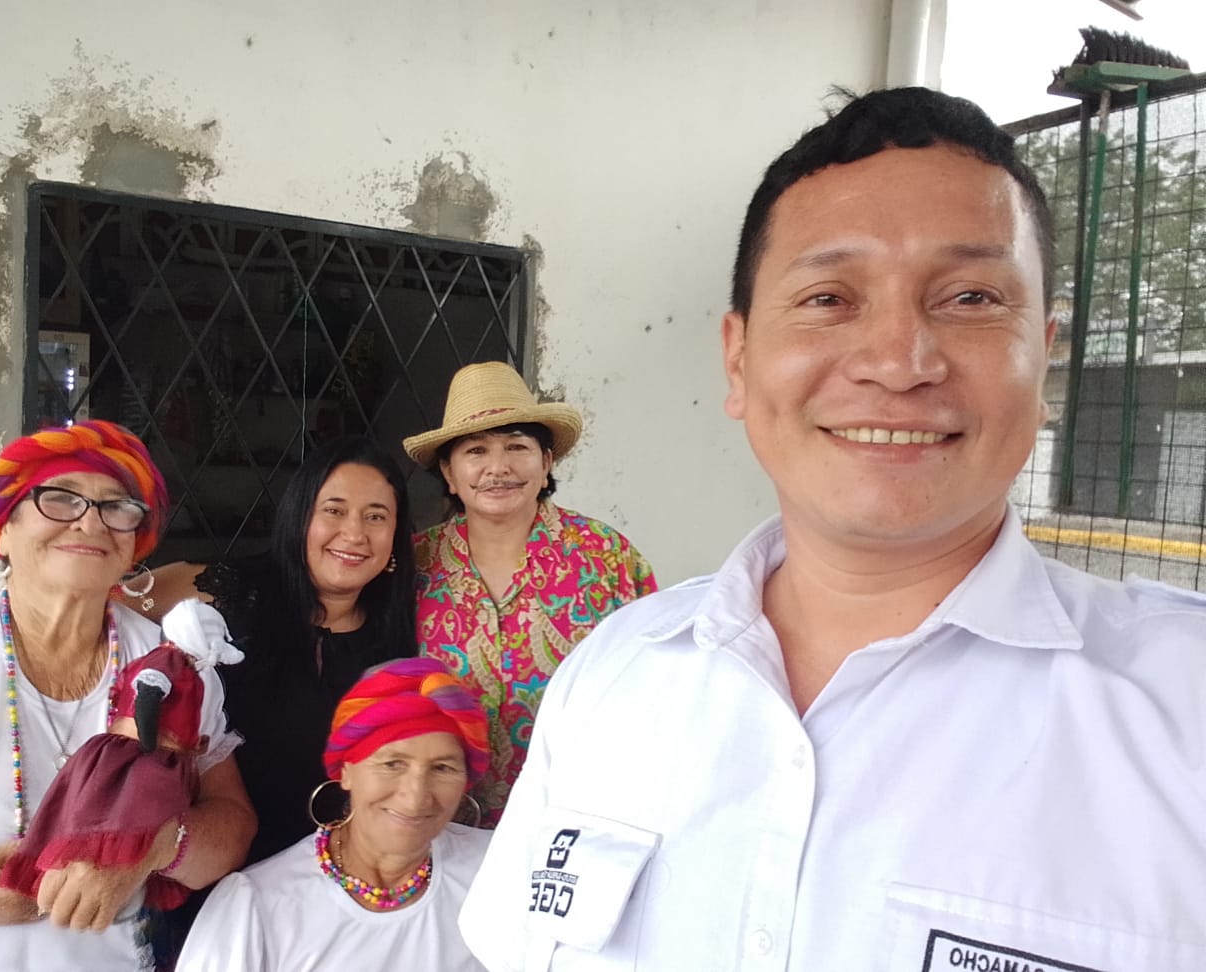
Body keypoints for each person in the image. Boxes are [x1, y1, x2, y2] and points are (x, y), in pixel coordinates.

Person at [458, 87, 1206, 971]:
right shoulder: (616, 672)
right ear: (738, 358)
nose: (898, 362)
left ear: (1043, 355)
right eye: (828, 297)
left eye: (970, 296)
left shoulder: (1181, 710)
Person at [0, 436, 418, 870]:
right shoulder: (219, 589)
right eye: (334, 510)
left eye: (376, 517)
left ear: (397, 536)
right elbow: (86, 593)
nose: (354, 533)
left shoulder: (403, 638)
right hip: (217, 881)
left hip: (336, 879)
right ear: (299, 517)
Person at [0, 419, 254, 971]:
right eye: (60, 498)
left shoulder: (173, 665)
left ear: (133, 546)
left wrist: (153, 846)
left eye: (117, 507)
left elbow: (232, 824)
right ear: (2, 529)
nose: (91, 521)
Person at [402, 362, 657, 825]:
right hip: (439, 823)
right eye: (476, 450)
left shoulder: (608, 558)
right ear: (449, 473)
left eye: (517, 446)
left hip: (577, 817)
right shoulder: (414, 565)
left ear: (546, 463)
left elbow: (655, 686)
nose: (498, 467)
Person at [175, 656, 492, 972]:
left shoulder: (497, 872)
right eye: (392, 764)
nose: (416, 797)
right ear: (347, 771)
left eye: (442, 768)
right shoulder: (257, 908)